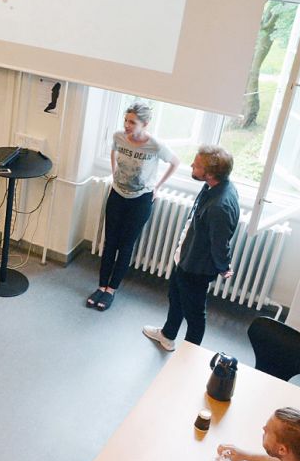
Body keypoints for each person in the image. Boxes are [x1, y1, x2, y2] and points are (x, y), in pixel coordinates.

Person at [143, 145, 239, 350]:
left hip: (196, 268)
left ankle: (190, 354)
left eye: (197, 165)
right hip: (186, 259)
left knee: (195, 315)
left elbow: (220, 242)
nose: (192, 166)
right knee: (175, 298)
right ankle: (167, 335)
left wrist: (223, 266)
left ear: (211, 173)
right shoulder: (213, 186)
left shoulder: (220, 206)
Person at [87, 102, 179, 311]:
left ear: (145, 124)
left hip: (140, 200)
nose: (127, 125)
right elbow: (113, 152)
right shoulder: (119, 137)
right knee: (110, 242)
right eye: (126, 120)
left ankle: (111, 290)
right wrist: (114, 174)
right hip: (117, 195)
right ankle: (101, 286)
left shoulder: (155, 145)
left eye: (132, 122)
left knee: (125, 245)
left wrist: (157, 186)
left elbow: (175, 162)